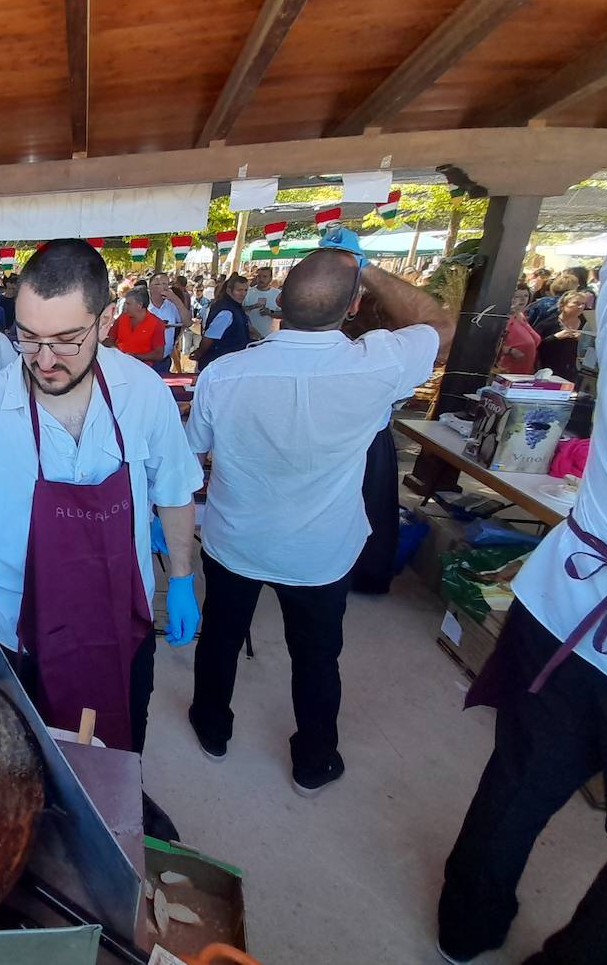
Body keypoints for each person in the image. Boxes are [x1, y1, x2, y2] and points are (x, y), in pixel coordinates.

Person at [0, 239, 202, 761]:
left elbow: (175, 489)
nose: (45, 360)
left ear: (106, 318)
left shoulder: (143, 393)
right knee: (29, 769)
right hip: (22, 638)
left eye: (67, 339)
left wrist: (181, 577)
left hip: (125, 628)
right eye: (29, 338)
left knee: (120, 758)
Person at [186, 228, 453, 796]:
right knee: (316, 656)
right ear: (354, 305)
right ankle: (314, 759)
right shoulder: (377, 363)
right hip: (320, 551)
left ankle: (212, 728)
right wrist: (368, 266)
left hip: (237, 538)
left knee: (220, 637)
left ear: (277, 302)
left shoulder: (224, 374)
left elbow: (196, 450)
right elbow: (440, 325)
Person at [435, 235, 607, 965]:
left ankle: (463, 928)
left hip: (569, 600)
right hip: (574, 602)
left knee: (518, 777)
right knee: (518, 778)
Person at [192, 275, 252, 371]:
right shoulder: (226, 312)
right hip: (219, 364)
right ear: (229, 291)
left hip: (229, 362)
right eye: (239, 290)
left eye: (245, 290)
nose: (243, 294)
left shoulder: (235, 307)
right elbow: (209, 338)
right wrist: (199, 353)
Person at [533, 290, 589, 383]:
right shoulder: (549, 323)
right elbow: (536, 344)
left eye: (583, 304)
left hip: (575, 371)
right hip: (550, 370)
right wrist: (555, 337)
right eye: (576, 303)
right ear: (563, 305)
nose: (581, 307)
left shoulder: (586, 324)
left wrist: (582, 340)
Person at [105, 290, 166, 368]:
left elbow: (158, 354)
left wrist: (135, 356)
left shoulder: (157, 324)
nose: (125, 306)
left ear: (139, 305)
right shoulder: (121, 318)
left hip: (143, 368)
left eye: (128, 304)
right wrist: (117, 352)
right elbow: (108, 340)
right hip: (119, 364)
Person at [145, 273, 189, 373]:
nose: (162, 287)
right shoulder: (143, 305)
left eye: (165, 284)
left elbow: (188, 322)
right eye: (158, 284)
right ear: (150, 288)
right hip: (144, 360)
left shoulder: (172, 306)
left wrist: (176, 300)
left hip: (164, 361)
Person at [497, 286, 541, 374]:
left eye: (526, 296)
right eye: (517, 296)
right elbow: (491, 341)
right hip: (507, 368)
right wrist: (510, 350)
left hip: (524, 369)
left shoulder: (522, 315)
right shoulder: (504, 317)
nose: (522, 299)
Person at [243, 266, 281, 340]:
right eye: (259, 276)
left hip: (268, 337)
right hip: (247, 336)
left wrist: (270, 312)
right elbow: (239, 309)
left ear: (270, 279)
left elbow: (284, 314)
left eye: (264, 276)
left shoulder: (277, 294)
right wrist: (252, 307)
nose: (261, 279)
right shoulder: (248, 292)